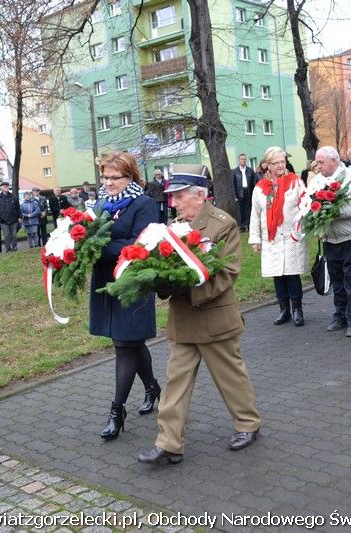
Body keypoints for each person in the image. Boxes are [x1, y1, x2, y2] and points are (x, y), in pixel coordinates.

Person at [138, 163, 261, 465]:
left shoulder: (223, 225)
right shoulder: (173, 227)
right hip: (183, 320)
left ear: (200, 195)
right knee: (175, 382)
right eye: (173, 197)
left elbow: (228, 272)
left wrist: (187, 289)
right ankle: (169, 442)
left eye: (179, 196)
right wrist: (162, 283)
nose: (174, 203)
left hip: (214, 318)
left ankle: (248, 424)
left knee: (230, 377)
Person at [88, 152, 160, 440]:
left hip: (132, 282)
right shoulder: (100, 204)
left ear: (130, 177)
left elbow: (141, 243)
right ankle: (152, 387)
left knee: (124, 344)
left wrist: (101, 246)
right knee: (130, 342)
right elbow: (90, 234)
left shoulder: (143, 204)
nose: (108, 183)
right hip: (107, 280)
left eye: (114, 177)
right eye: (105, 177)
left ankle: (116, 412)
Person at [312, 146, 351, 337]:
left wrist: (336, 211)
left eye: (321, 162)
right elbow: (308, 204)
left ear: (334, 160)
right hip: (329, 238)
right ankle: (340, 316)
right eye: (317, 162)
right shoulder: (317, 181)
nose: (318, 166)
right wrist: (315, 218)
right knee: (337, 281)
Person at [248, 146, 308, 326]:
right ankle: (284, 310)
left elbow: (305, 204)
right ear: (268, 165)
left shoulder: (295, 182)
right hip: (271, 239)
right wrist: (255, 239)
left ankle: (297, 309)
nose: (281, 165)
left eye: (283, 162)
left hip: (291, 237)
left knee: (292, 275)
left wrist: (301, 223)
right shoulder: (260, 188)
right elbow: (255, 215)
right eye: (277, 163)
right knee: (278, 276)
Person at [231, 153, 258, 232]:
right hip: (239, 193)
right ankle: (242, 226)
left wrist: (254, 194)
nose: (243, 161)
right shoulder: (235, 171)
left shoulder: (250, 170)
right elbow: (232, 184)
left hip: (249, 192)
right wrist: (234, 196)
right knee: (241, 211)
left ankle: (249, 225)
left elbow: (254, 182)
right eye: (242, 159)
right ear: (239, 160)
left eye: (244, 159)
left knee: (249, 210)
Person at [0, 181, 21, 252]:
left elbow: (18, 208)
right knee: (7, 236)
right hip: (3, 220)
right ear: (1, 188)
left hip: (13, 219)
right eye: (5, 186)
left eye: (8, 186)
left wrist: (20, 217)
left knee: (14, 235)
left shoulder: (13, 197)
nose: (7, 187)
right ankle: (8, 249)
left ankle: (14, 249)